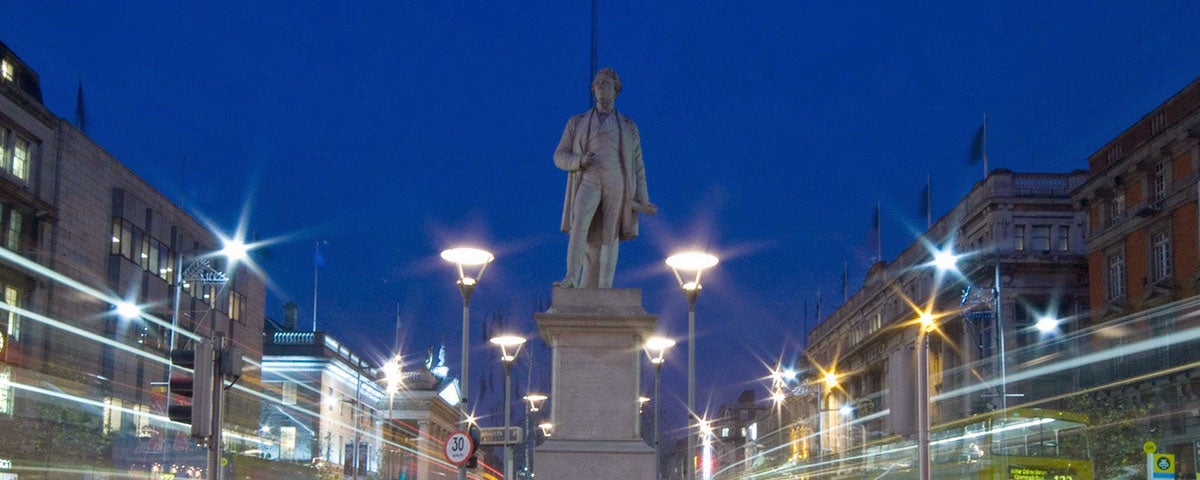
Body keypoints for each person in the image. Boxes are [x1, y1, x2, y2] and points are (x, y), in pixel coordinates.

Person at [554, 67, 656, 288]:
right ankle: (571, 277)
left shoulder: (628, 127)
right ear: (593, 90)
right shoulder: (577, 122)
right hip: (589, 177)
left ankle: (605, 286)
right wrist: (579, 160)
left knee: (611, 232)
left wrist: (643, 198)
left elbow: (638, 166)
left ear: (615, 90)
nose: (600, 86)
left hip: (616, 179)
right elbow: (559, 156)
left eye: (606, 83)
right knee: (579, 224)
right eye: (597, 83)